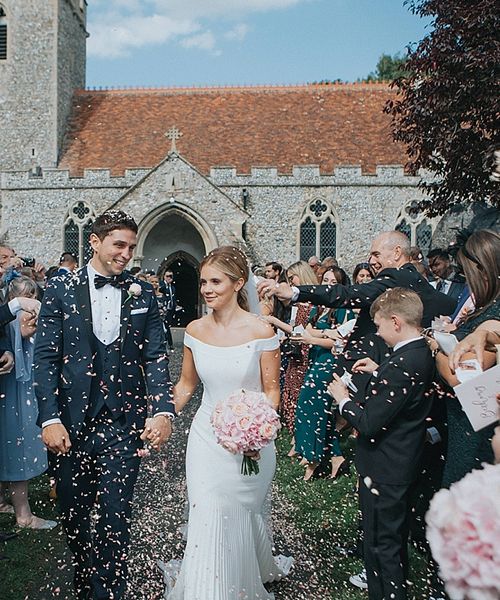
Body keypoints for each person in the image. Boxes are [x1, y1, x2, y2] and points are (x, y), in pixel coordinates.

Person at [34, 210, 175, 600]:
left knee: (116, 517)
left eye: (131, 246)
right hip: (70, 427)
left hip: (121, 426)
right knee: (74, 517)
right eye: (120, 245)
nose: (127, 253)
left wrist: (162, 411)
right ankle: (85, 581)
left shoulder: (142, 293)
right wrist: (49, 418)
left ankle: (109, 592)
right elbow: (44, 358)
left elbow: (155, 357)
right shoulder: (60, 291)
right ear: (94, 242)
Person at [163, 246, 292, 599]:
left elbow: (271, 389)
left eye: (215, 281)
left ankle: (241, 574)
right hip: (206, 438)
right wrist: (162, 415)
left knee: (239, 512)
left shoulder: (262, 331)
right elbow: (187, 385)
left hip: (252, 442)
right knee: (208, 509)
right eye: (203, 281)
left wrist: (258, 430)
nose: (206, 288)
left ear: (238, 284)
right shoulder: (194, 329)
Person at [328, 288, 435, 600]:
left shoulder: (403, 363)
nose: (377, 332)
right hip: (401, 463)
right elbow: (403, 395)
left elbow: (370, 423)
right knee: (391, 542)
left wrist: (343, 400)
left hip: (386, 468)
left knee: (380, 547)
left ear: (396, 322)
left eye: (379, 325)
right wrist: (379, 372)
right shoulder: (414, 354)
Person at [432, 229, 499, 487]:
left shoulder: (495, 311)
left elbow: (460, 375)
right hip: (464, 422)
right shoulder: (485, 306)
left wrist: (434, 348)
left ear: (483, 269)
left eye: (466, 272)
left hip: (477, 430)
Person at [0, 276, 54, 529]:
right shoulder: (15, 318)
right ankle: (24, 515)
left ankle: (2, 501)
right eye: (25, 299)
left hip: (19, 387)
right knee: (17, 446)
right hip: (14, 391)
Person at [294, 267, 355, 480]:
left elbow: (339, 341)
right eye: (325, 280)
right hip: (317, 357)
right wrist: (321, 334)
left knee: (315, 408)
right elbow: (308, 327)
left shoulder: (342, 307)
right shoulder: (319, 307)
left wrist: (314, 338)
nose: (328, 284)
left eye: (333, 282)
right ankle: (335, 456)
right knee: (309, 407)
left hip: (329, 362)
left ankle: (314, 459)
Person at [159, 270, 176, 351]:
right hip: (163, 309)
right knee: (165, 326)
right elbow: (160, 290)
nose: (169, 278)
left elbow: (173, 298)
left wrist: (175, 306)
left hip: (170, 309)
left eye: (171, 276)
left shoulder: (172, 287)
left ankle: (168, 343)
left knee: (168, 326)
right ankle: (169, 343)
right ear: (164, 277)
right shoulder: (162, 285)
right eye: (167, 276)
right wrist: (166, 283)